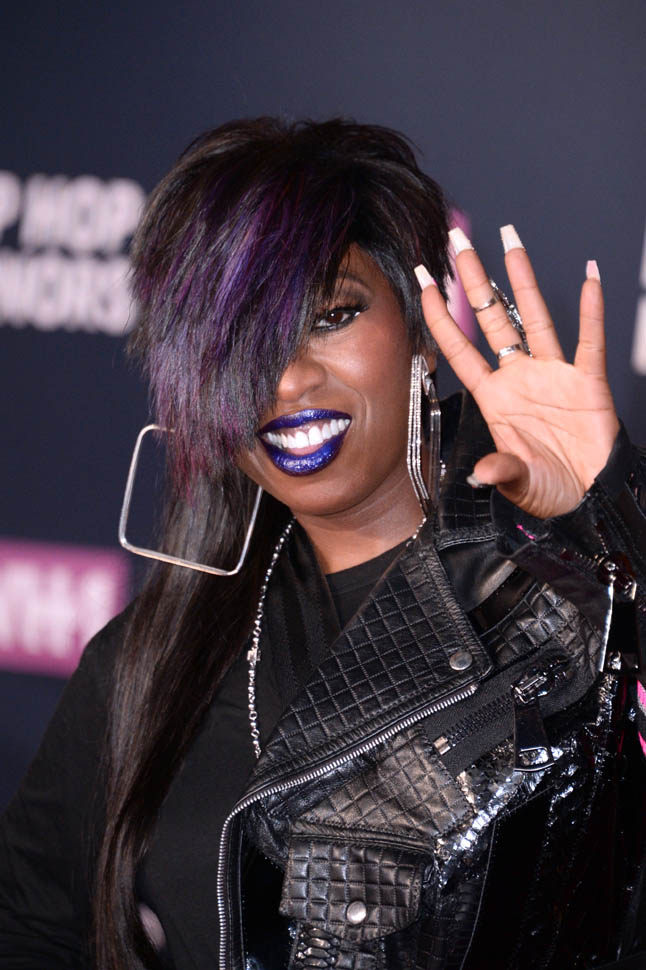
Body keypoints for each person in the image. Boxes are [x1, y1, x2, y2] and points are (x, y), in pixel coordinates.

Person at [0, 118, 645, 970]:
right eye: (241, 343)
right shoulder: (147, 662)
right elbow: (33, 927)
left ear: (421, 331)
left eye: (332, 316)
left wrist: (613, 511)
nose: (287, 378)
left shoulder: (576, 595)